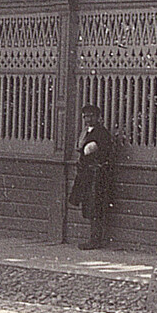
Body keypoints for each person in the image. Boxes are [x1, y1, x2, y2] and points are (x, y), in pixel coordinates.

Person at [70, 105, 115, 250]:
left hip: (97, 174)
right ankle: (93, 238)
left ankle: (95, 240)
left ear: (98, 117)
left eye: (91, 116)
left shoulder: (101, 133)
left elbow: (89, 150)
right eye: (85, 116)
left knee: (95, 206)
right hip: (87, 173)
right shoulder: (86, 132)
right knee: (89, 205)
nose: (88, 119)